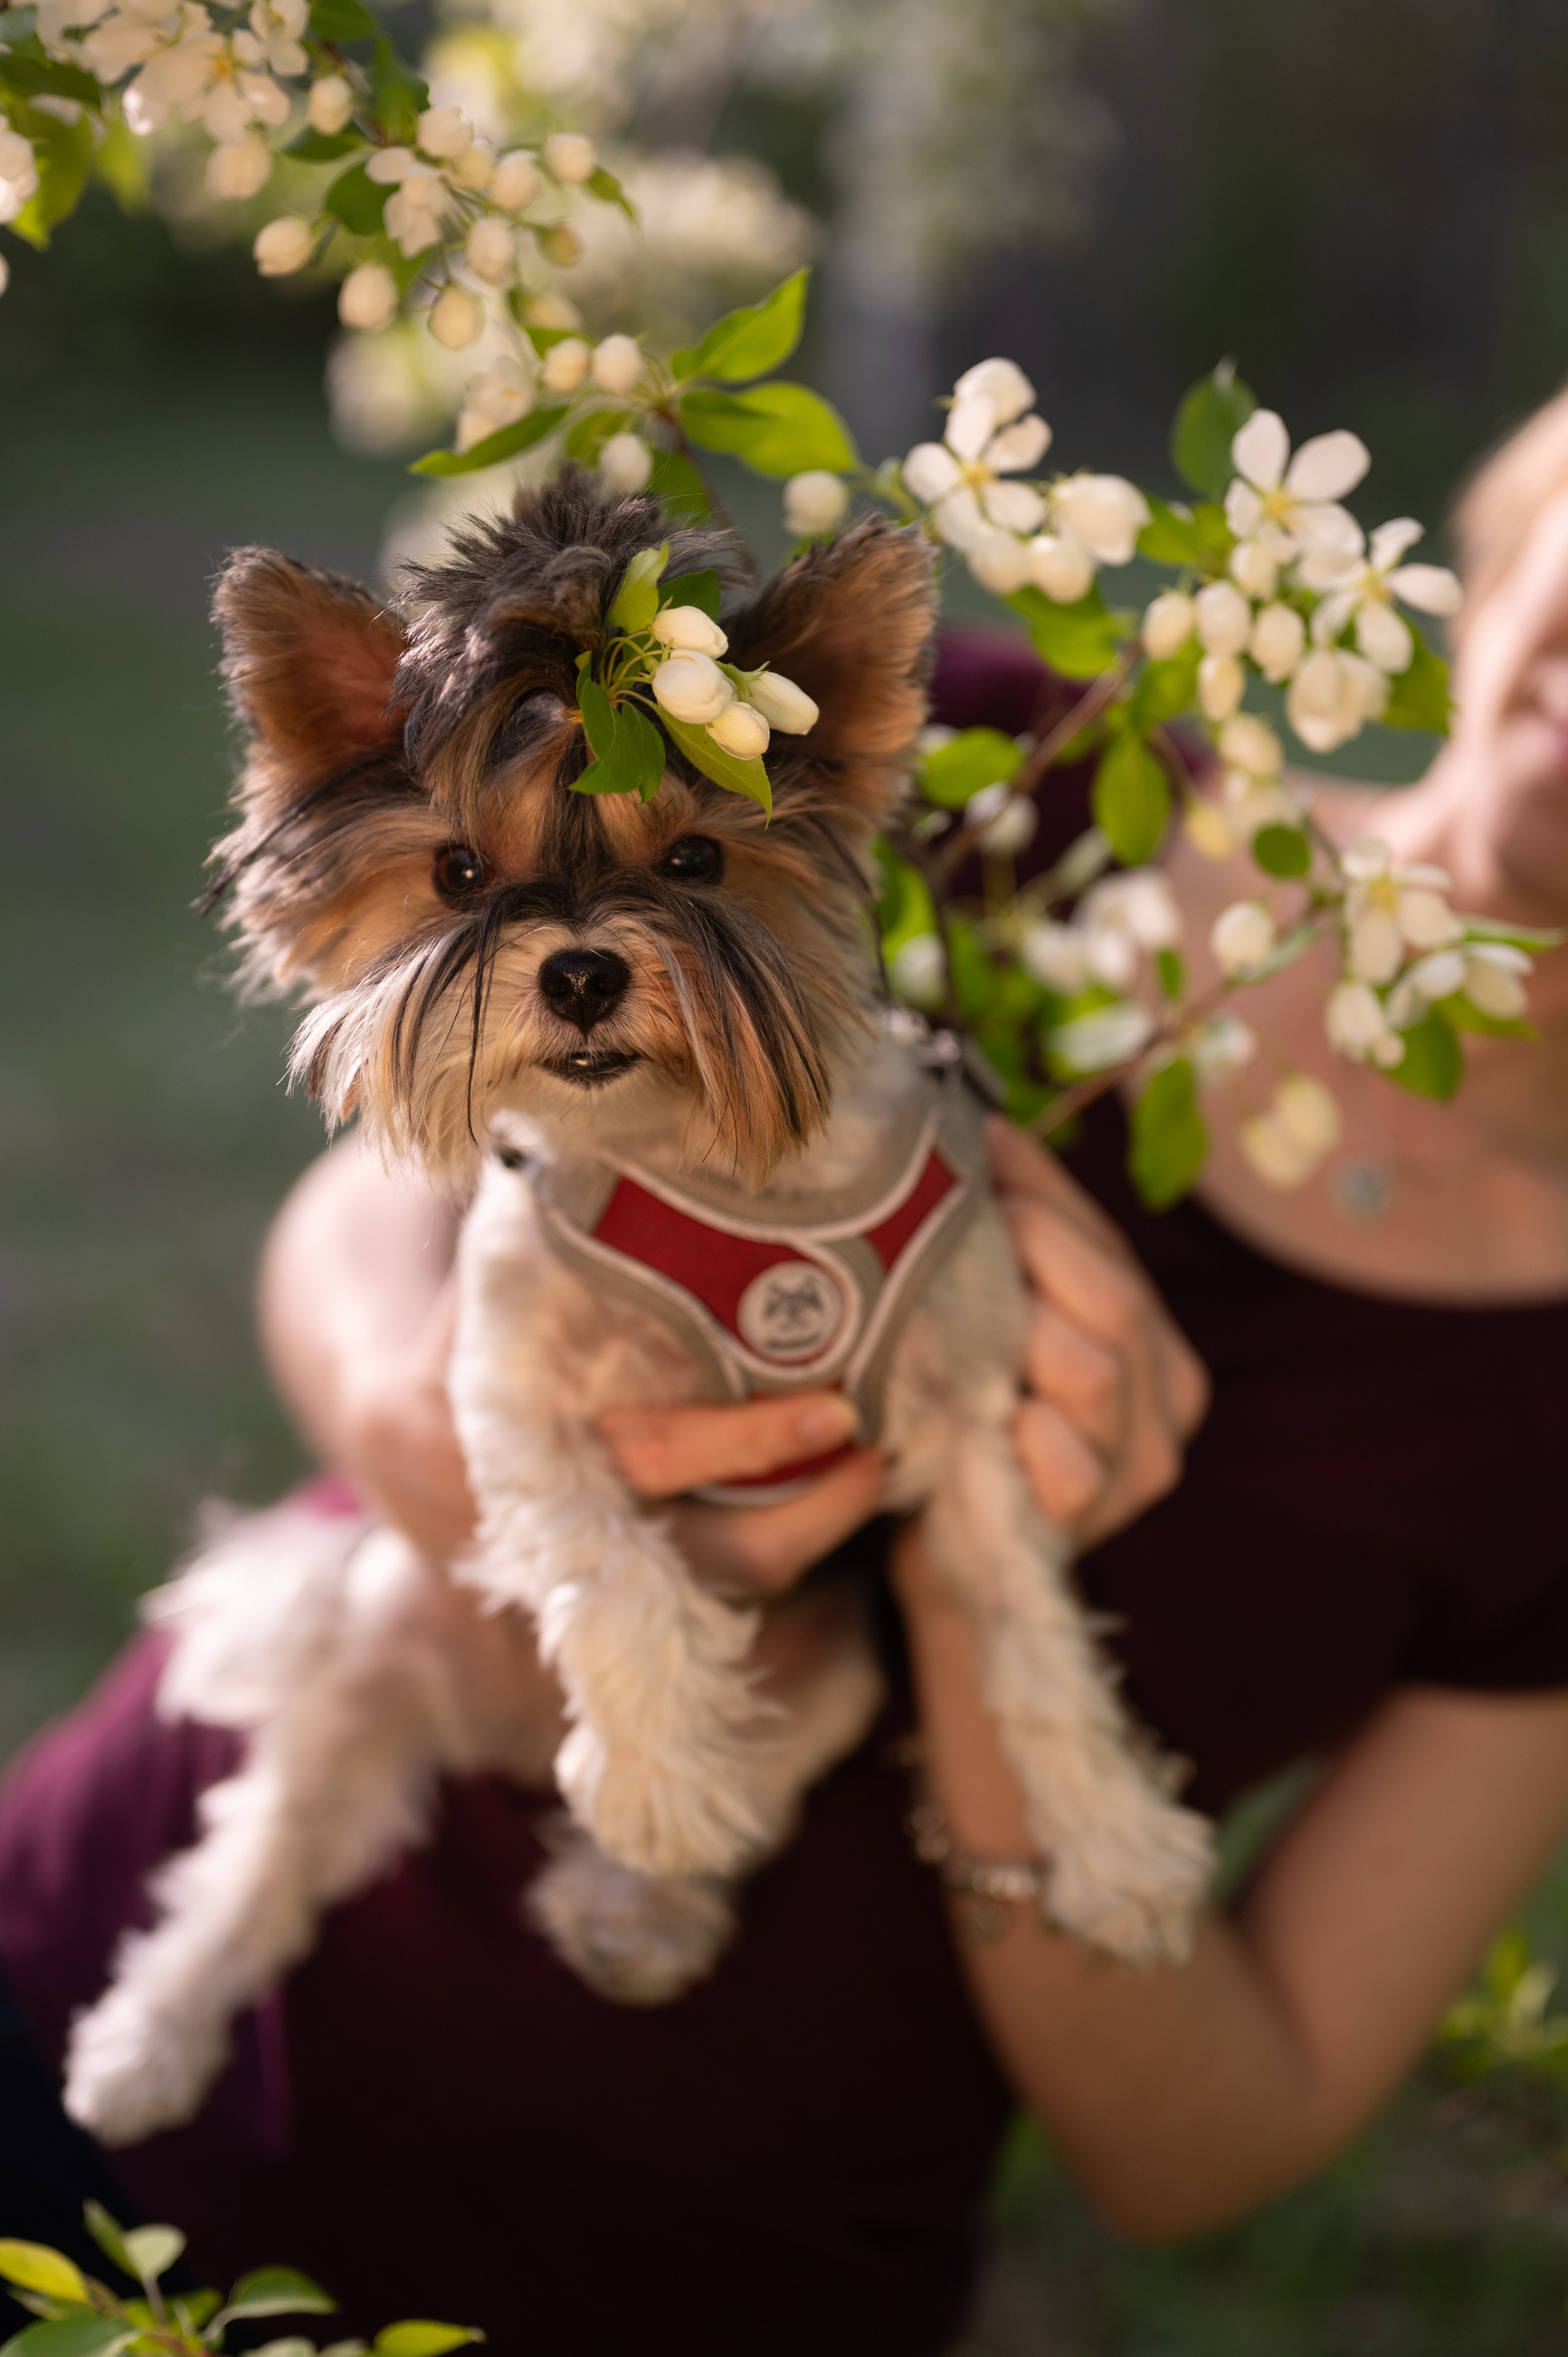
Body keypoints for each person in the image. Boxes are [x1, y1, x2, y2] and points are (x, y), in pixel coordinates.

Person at [5, 390, 1568, 2351]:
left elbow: (1210, 2156)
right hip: (136, 1933)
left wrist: (977, 1606)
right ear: (1515, 522)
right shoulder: (1019, 769)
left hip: (695, 2267)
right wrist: (460, 1452)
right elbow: (374, 1205)